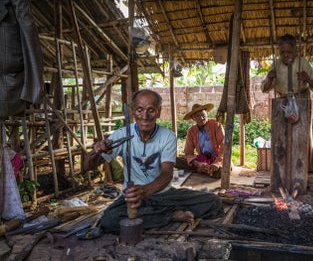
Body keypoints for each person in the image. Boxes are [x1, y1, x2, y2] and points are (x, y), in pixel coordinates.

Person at [84, 89, 224, 232]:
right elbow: (88, 166)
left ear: (158, 112)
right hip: (132, 197)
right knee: (109, 219)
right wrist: (96, 152)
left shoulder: (167, 136)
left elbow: (166, 174)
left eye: (151, 110)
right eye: (139, 110)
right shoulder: (121, 134)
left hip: (164, 194)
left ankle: (156, 213)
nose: (145, 116)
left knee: (214, 202)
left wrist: (144, 191)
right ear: (133, 112)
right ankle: (170, 215)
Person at [261, 33, 313, 170]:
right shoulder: (275, 64)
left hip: (301, 101)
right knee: (281, 136)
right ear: (279, 52)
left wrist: (307, 79)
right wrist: (270, 79)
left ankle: (300, 169)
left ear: (295, 51)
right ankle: (282, 169)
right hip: (282, 104)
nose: (286, 55)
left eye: (289, 52)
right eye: (282, 52)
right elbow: (264, 88)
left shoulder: (302, 62)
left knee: (300, 136)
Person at [181, 103, 225, 178]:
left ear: (206, 114)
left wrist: (217, 163)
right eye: (197, 116)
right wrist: (198, 163)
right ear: (193, 118)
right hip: (202, 159)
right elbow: (188, 152)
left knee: (220, 171)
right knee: (177, 161)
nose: (201, 118)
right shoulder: (191, 131)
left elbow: (225, 146)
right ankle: (205, 169)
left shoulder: (216, 124)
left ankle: (210, 169)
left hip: (217, 158)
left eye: (203, 115)